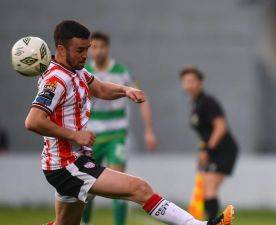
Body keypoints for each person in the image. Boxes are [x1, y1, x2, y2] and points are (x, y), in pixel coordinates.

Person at [24, 20, 234, 225]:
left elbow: (100, 89)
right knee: (139, 188)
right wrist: (74, 135)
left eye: (86, 49)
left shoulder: (76, 70)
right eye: (80, 50)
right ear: (61, 49)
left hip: (72, 160)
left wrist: (125, 90)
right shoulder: (55, 81)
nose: (85, 55)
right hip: (66, 165)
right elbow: (33, 121)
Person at [81, 32, 158, 225]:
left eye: (102, 47)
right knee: (87, 186)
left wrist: (148, 130)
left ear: (108, 48)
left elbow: (142, 99)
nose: (98, 51)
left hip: (117, 135)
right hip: (91, 136)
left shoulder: (122, 71)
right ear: (90, 50)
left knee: (120, 185)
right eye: (94, 47)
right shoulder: (84, 72)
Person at [179, 66, 238, 221]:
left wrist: (207, 150)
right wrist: (202, 151)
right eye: (186, 81)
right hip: (212, 150)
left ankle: (214, 222)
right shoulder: (195, 104)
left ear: (200, 82)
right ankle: (209, 221)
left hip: (223, 149)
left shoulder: (207, 102)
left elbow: (221, 127)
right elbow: (204, 134)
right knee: (206, 190)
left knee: (210, 189)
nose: (189, 85)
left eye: (192, 81)